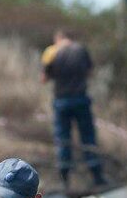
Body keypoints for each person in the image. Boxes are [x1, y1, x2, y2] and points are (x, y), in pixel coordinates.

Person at [42, 29, 106, 188]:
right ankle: (97, 177)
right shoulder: (81, 50)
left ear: (58, 38)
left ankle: (65, 180)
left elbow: (44, 78)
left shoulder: (52, 52)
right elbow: (90, 72)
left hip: (61, 101)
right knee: (88, 137)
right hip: (80, 99)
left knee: (63, 139)